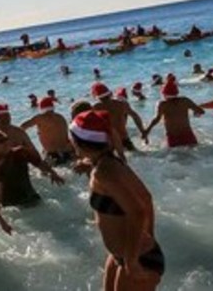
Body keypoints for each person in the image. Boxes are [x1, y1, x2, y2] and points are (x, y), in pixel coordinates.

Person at [69, 110, 164, 291]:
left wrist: (132, 260)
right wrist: (150, 236)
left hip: (137, 259)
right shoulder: (109, 163)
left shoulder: (103, 172)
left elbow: (138, 211)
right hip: (127, 255)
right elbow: (146, 198)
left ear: (77, 141)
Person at [0, 132, 64, 207]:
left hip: (30, 196)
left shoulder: (20, 152)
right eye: (1, 141)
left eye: (6, 139)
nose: (5, 143)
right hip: (12, 203)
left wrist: (53, 173)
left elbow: (39, 163)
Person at [144, 81, 205, 147]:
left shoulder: (163, 104)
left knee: (174, 155)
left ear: (164, 94)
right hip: (188, 135)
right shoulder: (185, 100)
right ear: (177, 92)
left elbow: (157, 119)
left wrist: (147, 131)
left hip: (173, 137)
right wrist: (195, 113)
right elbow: (201, 111)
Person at [91, 82, 146, 156]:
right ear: (110, 93)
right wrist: (142, 131)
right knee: (140, 156)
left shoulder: (95, 108)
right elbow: (135, 117)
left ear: (96, 96)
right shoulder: (121, 104)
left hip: (109, 143)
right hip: (125, 140)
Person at [20, 97, 76, 166]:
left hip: (53, 155)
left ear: (41, 108)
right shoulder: (61, 117)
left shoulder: (40, 118)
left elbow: (22, 127)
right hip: (68, 152)